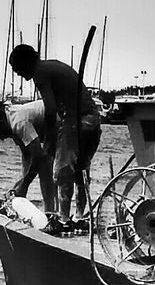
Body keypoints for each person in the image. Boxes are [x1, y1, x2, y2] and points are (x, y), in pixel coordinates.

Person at [9, 29, 102, 217]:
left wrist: (50, 140)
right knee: (80, 174)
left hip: (77, 121)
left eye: (18, 69)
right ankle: (79, 216)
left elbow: (50, 109)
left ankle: (64, 220)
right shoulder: (52, 66)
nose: (19, 74)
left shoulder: (40, 72)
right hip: (93, 120)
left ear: (26, 62)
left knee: (62, 172)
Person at [0, 99, 56, 213]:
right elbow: (27, 155)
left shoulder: (19, 124)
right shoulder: (11, 124)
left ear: (1, 123)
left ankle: (51, 213)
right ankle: (50, 211)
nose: (2, 138)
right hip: (51, 129)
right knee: (43, 167)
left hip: (62, 121)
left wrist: (25, 184)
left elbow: (38, 156)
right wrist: (20, 185)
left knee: (45, 167)